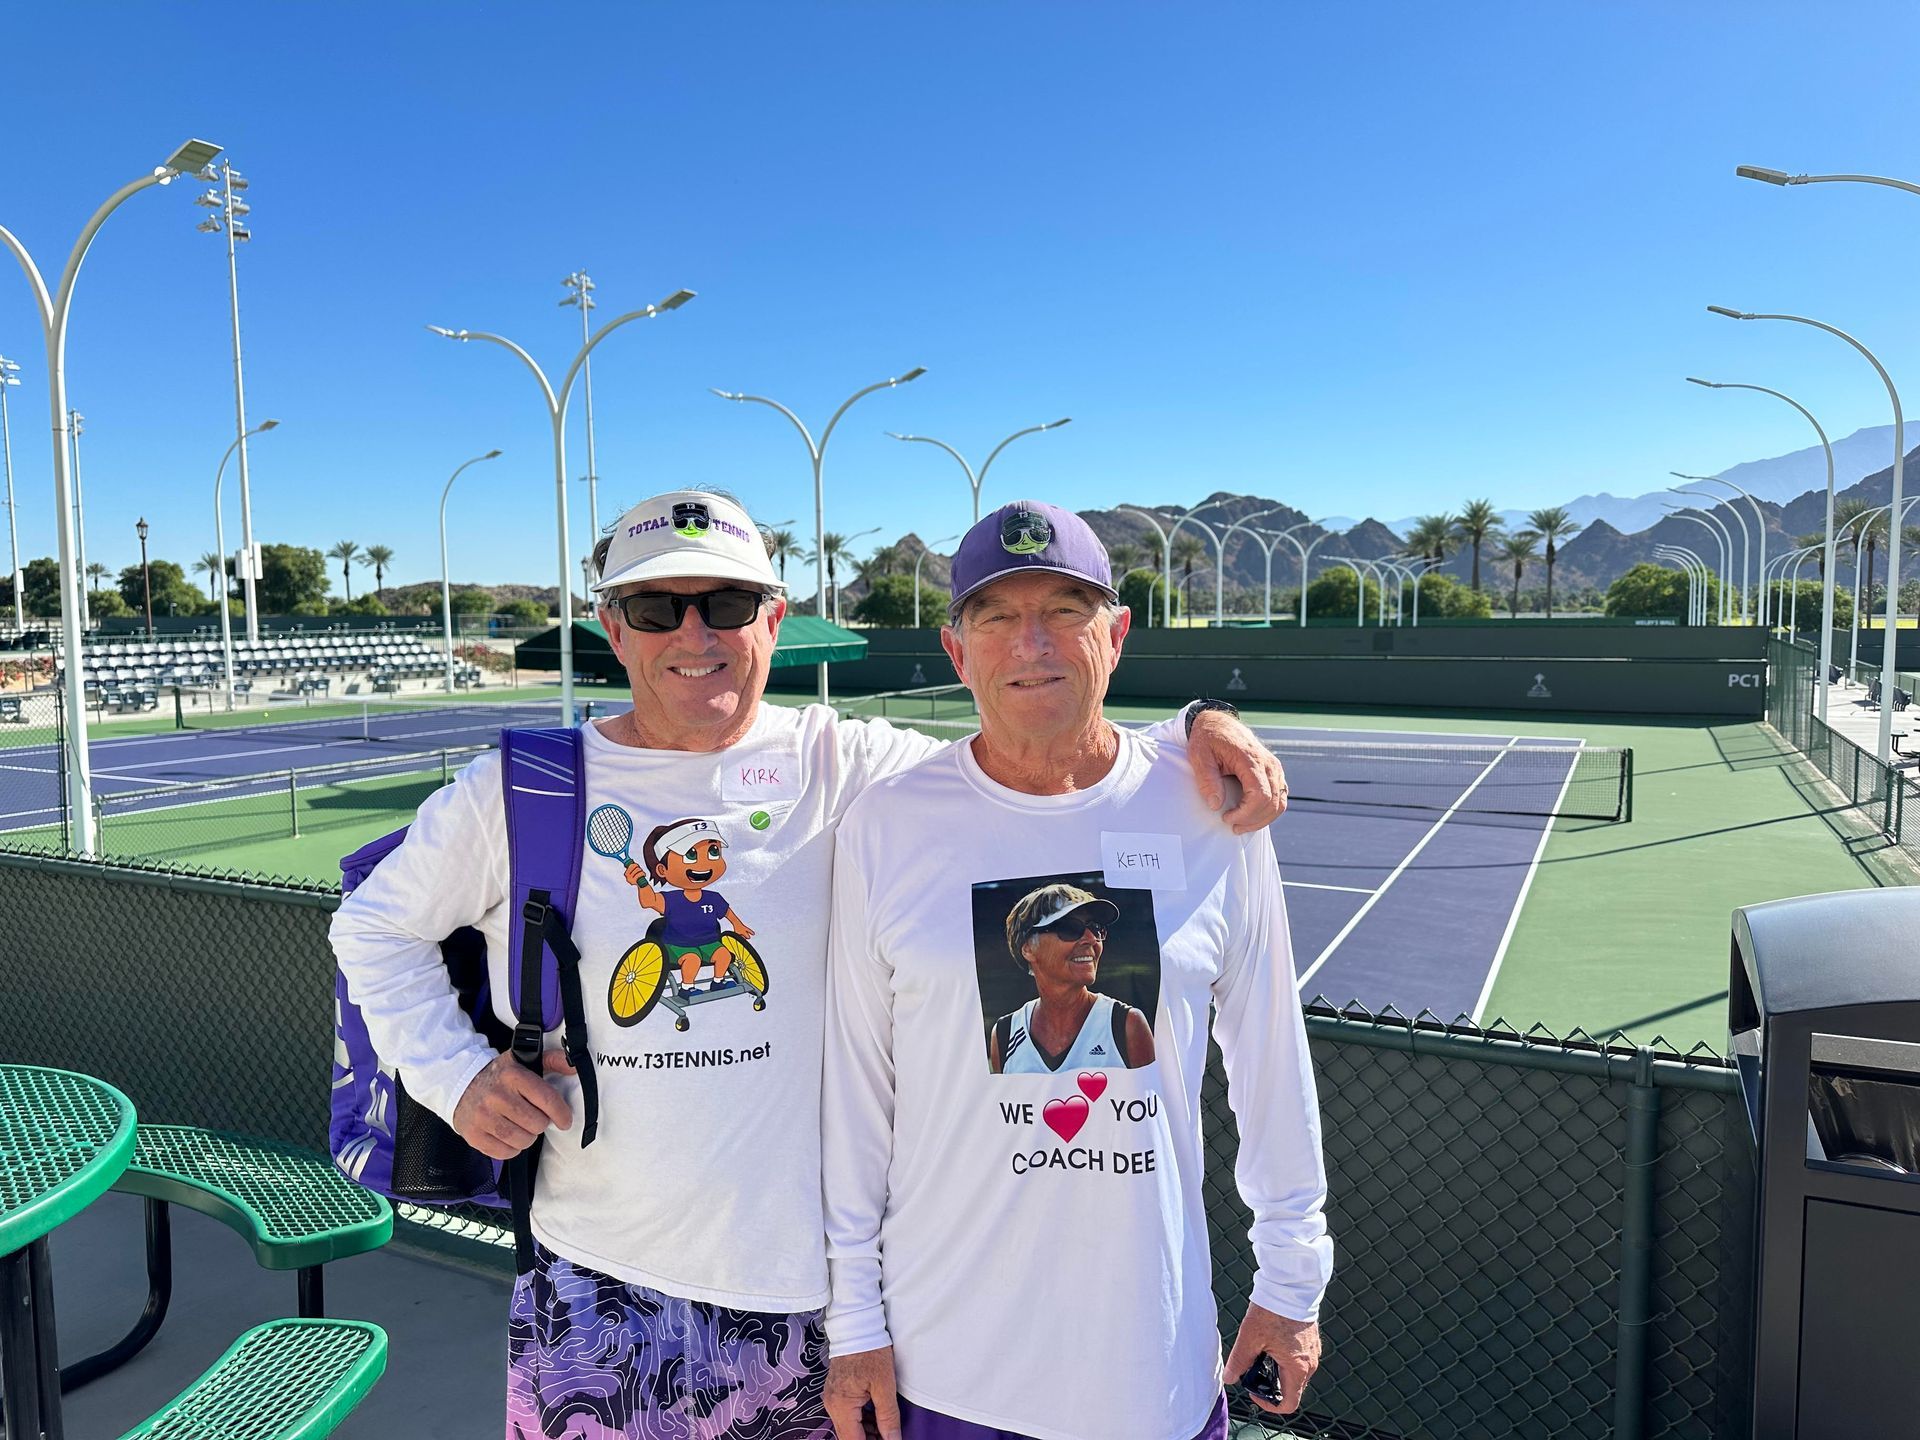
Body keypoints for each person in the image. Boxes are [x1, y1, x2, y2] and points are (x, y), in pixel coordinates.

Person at [328, 487, 1293, 1440]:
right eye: (658, 608)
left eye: (731, 605)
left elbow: (1035, 743)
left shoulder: (849, 765)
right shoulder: (520, 788)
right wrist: (454, 1074)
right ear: (612, 629)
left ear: (775, 619)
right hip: (598, 1288)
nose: (695, 635)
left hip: (823, 1323)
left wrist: (1189, 731)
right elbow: (372, 929)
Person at [822, 500, 1332, 1440]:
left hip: (1153, 1378)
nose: (1033, 642)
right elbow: (855, 1102)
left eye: (1065, 609)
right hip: (940, 1375)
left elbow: (1271, 1063)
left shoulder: (1211, 807)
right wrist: (852, 1321)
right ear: (956, 648)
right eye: (996, 616)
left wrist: (1293, 1279)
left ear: (1117, 633)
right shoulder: (886, 825)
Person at [987, 883, 1154, 1073]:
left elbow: (1155, 1102)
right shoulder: (1004, 1035)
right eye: (1070, 928)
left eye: (1096, 928)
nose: (1091, 939)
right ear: (1028, 948)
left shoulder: (1127, 1026)